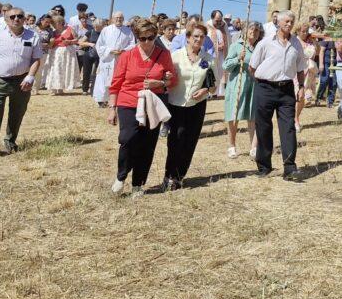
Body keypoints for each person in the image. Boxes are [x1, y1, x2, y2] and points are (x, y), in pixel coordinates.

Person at [107, 18, 177, 197]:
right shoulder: (127, 56)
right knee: (127, 139)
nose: (147, 42)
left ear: (155, 36)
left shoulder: (164, 55)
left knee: (147, 145)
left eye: (151, 37)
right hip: (129, 102)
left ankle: (138, 183)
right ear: (136, 37)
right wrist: (112, 108)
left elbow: (173, 80)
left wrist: (160, 82)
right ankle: (121, 176)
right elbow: (115, 84)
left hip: (152, 104)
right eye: (142, 38)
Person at [0, 7, 43, 158]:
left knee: (17, 113)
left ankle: (10, 142)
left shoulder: (33, 36)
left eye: (19, 16)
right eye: (12, 17)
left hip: (22, 81)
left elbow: (36, 59)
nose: (16, 19)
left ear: (24, 19)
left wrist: (30, 77)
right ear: (6, 20)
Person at [248, 10, 308, 180]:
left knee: (288, 127)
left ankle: (290, 168)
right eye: (286, 21)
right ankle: (264, 166)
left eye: (292, 21)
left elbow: (300, 68)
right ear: (279, 23)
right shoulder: (265, 43)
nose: (289, 24)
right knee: (264, 127)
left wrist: (301, 86)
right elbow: (252, 67)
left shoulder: (296, 44)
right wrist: (262, 82)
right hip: (265, 88)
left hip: (286, 90)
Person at [163, 21, 214, 190]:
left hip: (197, 105)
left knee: (190, 141)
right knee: (176, 139)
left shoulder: (208, 59)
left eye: (202, 37)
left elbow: (213, 85)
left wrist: (205, 90)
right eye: (196, 36)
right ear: (188, 38)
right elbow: (166, 78)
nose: (199, 39)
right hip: (176, 103)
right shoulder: (175, 56)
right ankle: (169, 175)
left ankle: (179, 176)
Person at [224, 20, 260, 159]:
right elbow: (226, 66)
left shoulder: (259, 48)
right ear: (245, 30)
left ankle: (254, 148)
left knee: (253, 116)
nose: (253, 32)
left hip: (254, 84)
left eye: (256, 30)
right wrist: (238, 59)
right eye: (251, 29)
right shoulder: (236, 46)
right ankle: (232, 146)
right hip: (238, 84)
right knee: (234, 115)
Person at [93, 11, 135, 106]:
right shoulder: (106, 30)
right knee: (104, 78)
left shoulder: (128, 31)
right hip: (107, 59)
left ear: (123, 19)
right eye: (117, 18)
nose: (119, 19)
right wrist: (110, 51)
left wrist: (123, 51)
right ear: (112, 19)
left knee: (118, 79)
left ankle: (116, 100)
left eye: (121, 18)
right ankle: (102, 100)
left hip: (121, 59)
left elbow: (132, 44)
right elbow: (99, 45)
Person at [295, 22, 319, 132]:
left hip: (309, 72)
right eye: (302, 31)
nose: (305, 33)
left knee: (304, 98)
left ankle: (296, 117)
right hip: (298, 71)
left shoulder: (310, 42)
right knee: (298, 96)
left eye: (306, 31)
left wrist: (314, 42)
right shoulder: (295, 41)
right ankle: (295, 120)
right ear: (298, 31)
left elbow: (317, 52)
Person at [46, 14, 79, 95]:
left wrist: (70, 41)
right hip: (56, 52)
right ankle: (53, 88)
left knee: (64, 69)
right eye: (53, 23)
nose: (53, 24)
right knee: (56, 69)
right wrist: (51, 42)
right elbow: (50, 44)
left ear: (61, 22)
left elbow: (77, 39)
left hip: (68, 52)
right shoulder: (52, 32)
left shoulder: (69, 29)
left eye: (55, 22)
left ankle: (61, 88)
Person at [78, 18, 103, 94]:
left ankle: (95, 88)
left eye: (99, 26)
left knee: (97, 73)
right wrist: (90, 44)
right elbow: (80, 43)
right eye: (96, 26)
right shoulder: (90, 32)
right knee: (86, 72)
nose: (97, 28)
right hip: (89, 54)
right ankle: (85, 89)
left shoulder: (104, 33)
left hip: (100, 55)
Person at [207, 9, 228, 98]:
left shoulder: (224, 26)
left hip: (222, 55)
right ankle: (211, 93)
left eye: (220, 20)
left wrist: (224, 45)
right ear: (212, 18)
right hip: (211, 56)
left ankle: (220, 92)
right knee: (212, 73)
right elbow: (205, 42)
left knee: (221, 73)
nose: (219, 22)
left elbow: (228, 39)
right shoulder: (207, 27)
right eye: (217, 21)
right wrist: (216, 47)